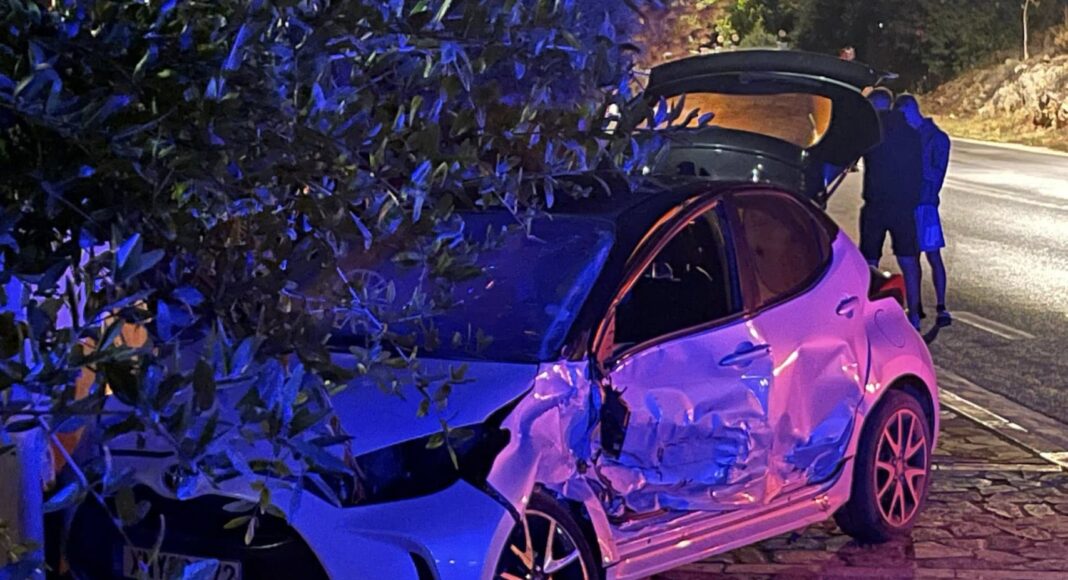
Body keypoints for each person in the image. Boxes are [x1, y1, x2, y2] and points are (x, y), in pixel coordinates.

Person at [860, 88, 925, 329]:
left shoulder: (872, 133)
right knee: (909, 260)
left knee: (869, 261)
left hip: (877, 205)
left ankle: (867, 313)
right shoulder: (911, 133)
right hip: (904, 206)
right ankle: (915, 314)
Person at [895, 94, 952, 326]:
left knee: (933, 255)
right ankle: (915, 307)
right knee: (912, 258)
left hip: (926, 204)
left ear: (911, 110)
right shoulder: (909, 136)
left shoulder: (936, 138)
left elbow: (936, 173)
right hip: (910, 203)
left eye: (903, 114)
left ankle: (941, 306)